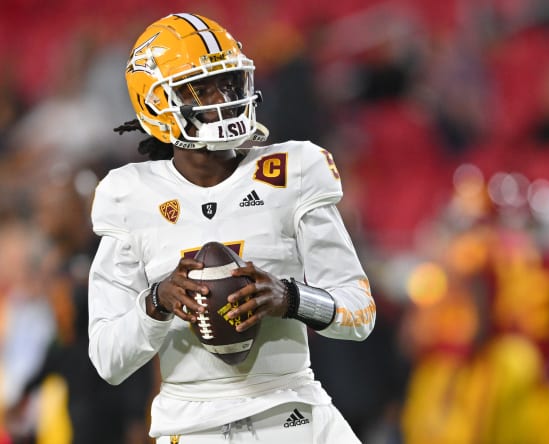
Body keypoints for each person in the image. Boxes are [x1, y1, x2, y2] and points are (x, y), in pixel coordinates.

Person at [87, 12, 376, 444]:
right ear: (154, 101)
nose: (221, 96)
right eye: (199, 87)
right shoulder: (129, 194)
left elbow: (360, 313)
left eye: (228, 81)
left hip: (294, 410)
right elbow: (109, 360)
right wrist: (157, 302)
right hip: (193, 425)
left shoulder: (294, 169)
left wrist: (290, 297)